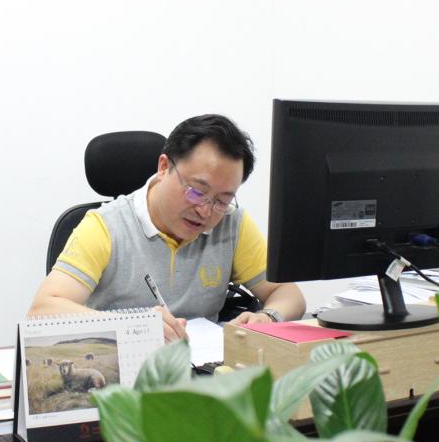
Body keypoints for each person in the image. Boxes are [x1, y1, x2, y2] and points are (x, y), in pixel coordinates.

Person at [29, 114, 305, 341]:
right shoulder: (105, 227)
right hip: (125, 374)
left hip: (203, 372)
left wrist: (268, 317)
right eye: (197, 192)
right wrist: (135, 326)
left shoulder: (232, 223)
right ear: (164, 167)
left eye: (222, 200)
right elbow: (42, 310)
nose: (205, 211)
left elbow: (288, 294)